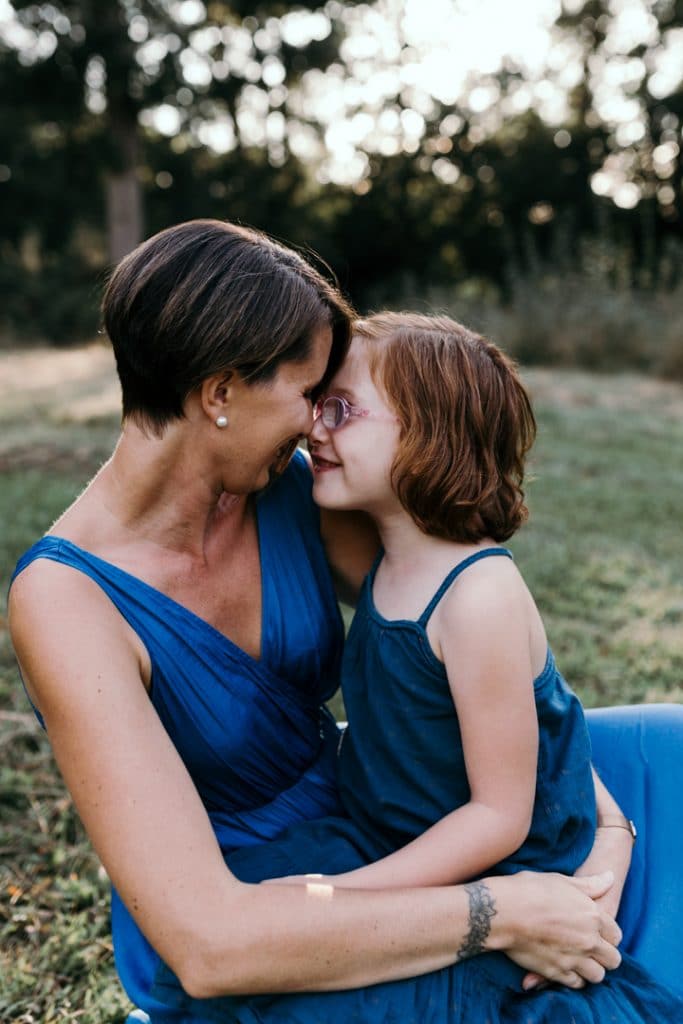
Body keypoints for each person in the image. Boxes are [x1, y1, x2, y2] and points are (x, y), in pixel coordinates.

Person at [9, 221, 628, 1024]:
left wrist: (607, 827)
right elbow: (209, 941)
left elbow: (491, 654)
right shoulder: (66, 601)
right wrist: (500, 912)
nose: (315, 427)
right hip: (253, 906)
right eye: (309, 397)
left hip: (376, 832)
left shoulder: (291, 491)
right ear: (220, 392)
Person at [210, 312, 683, 1022]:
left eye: (341, 408)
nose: (316, 429)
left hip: (499, 869)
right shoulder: (388, 561)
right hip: (389, 830)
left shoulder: (477, 595)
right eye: (318, 406)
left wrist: (355, 896)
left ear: (428, 435)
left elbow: (497, 816)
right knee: (241, 913)